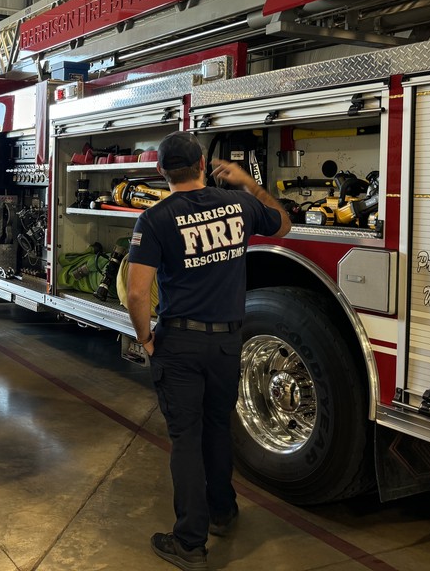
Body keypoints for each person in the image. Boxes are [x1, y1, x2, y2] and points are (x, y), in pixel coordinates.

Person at [126, 131, 291, 571]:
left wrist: (145, 339)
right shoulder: (238, 204)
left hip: (179, 341)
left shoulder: (155, 219)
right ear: (202, 164)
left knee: (185, 438)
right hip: (226, 342)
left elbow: (137, 293)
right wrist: (248, 183)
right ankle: (222, 511)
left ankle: (190, 543)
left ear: (162, 172)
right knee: (218, 426)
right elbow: (284, 222)